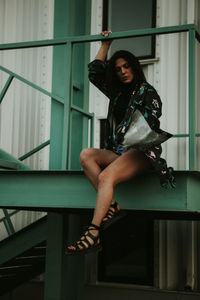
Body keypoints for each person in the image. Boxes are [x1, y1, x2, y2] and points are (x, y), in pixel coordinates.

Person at [66, 31, 175, 255]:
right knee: (86, 155)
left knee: (106, 177)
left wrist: (131, 132)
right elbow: (95, 72)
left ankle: (93, 233)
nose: (123, 72)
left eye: (126, 66)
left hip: (142, 153)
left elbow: (151, 123)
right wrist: (105, 44)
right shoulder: (116, 93)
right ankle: (112, 206)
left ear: (134, 67)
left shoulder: (147, 92)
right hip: (120, 153)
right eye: (117, 69)